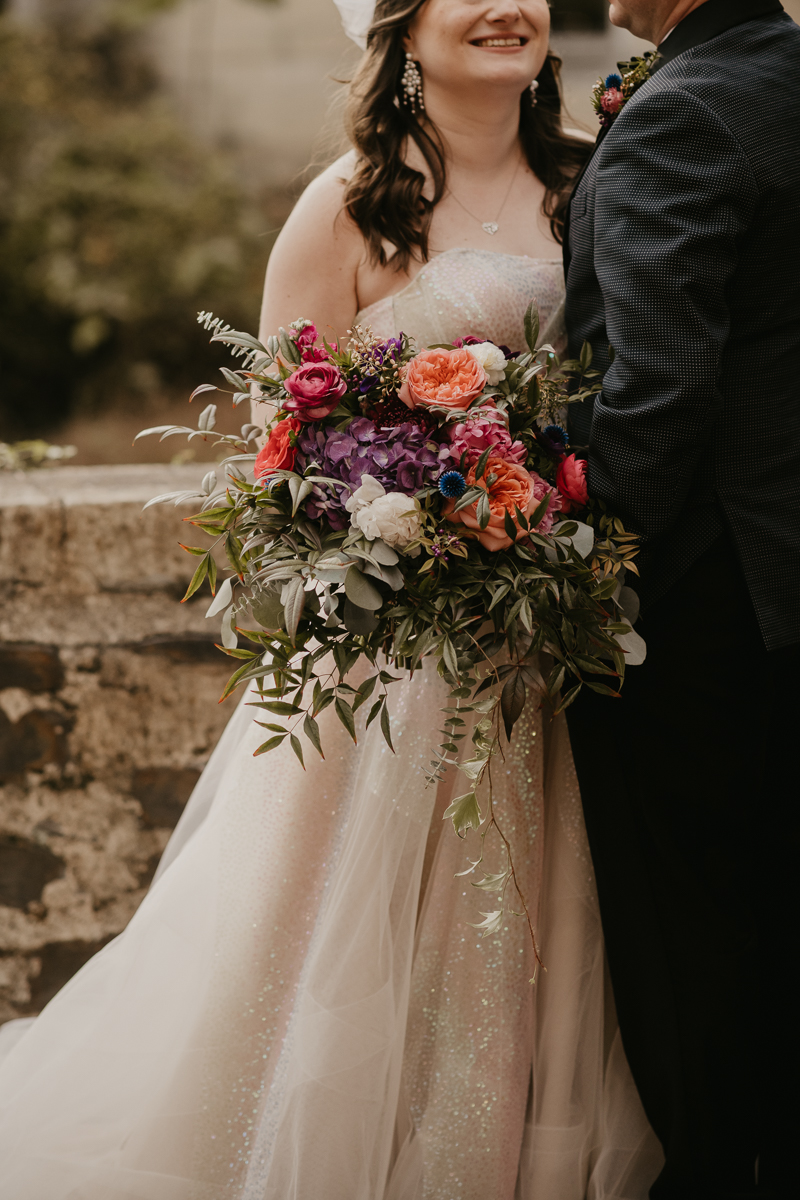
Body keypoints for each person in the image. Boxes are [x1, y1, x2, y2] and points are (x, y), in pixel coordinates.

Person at [0, 2, 663, 1197]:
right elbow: (281, 444)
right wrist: (405, 535)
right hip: (397, 669)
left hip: (559, 649)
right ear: (402, 30)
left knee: (551, 946)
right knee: (360, 949)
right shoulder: (350, 206)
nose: (504, 5)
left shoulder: (596, 181)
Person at [562, 0, 800, 1197]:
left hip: (702, 611)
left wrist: (572, 569)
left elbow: (653, 401)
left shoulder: (684, 116)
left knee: (689, 935)